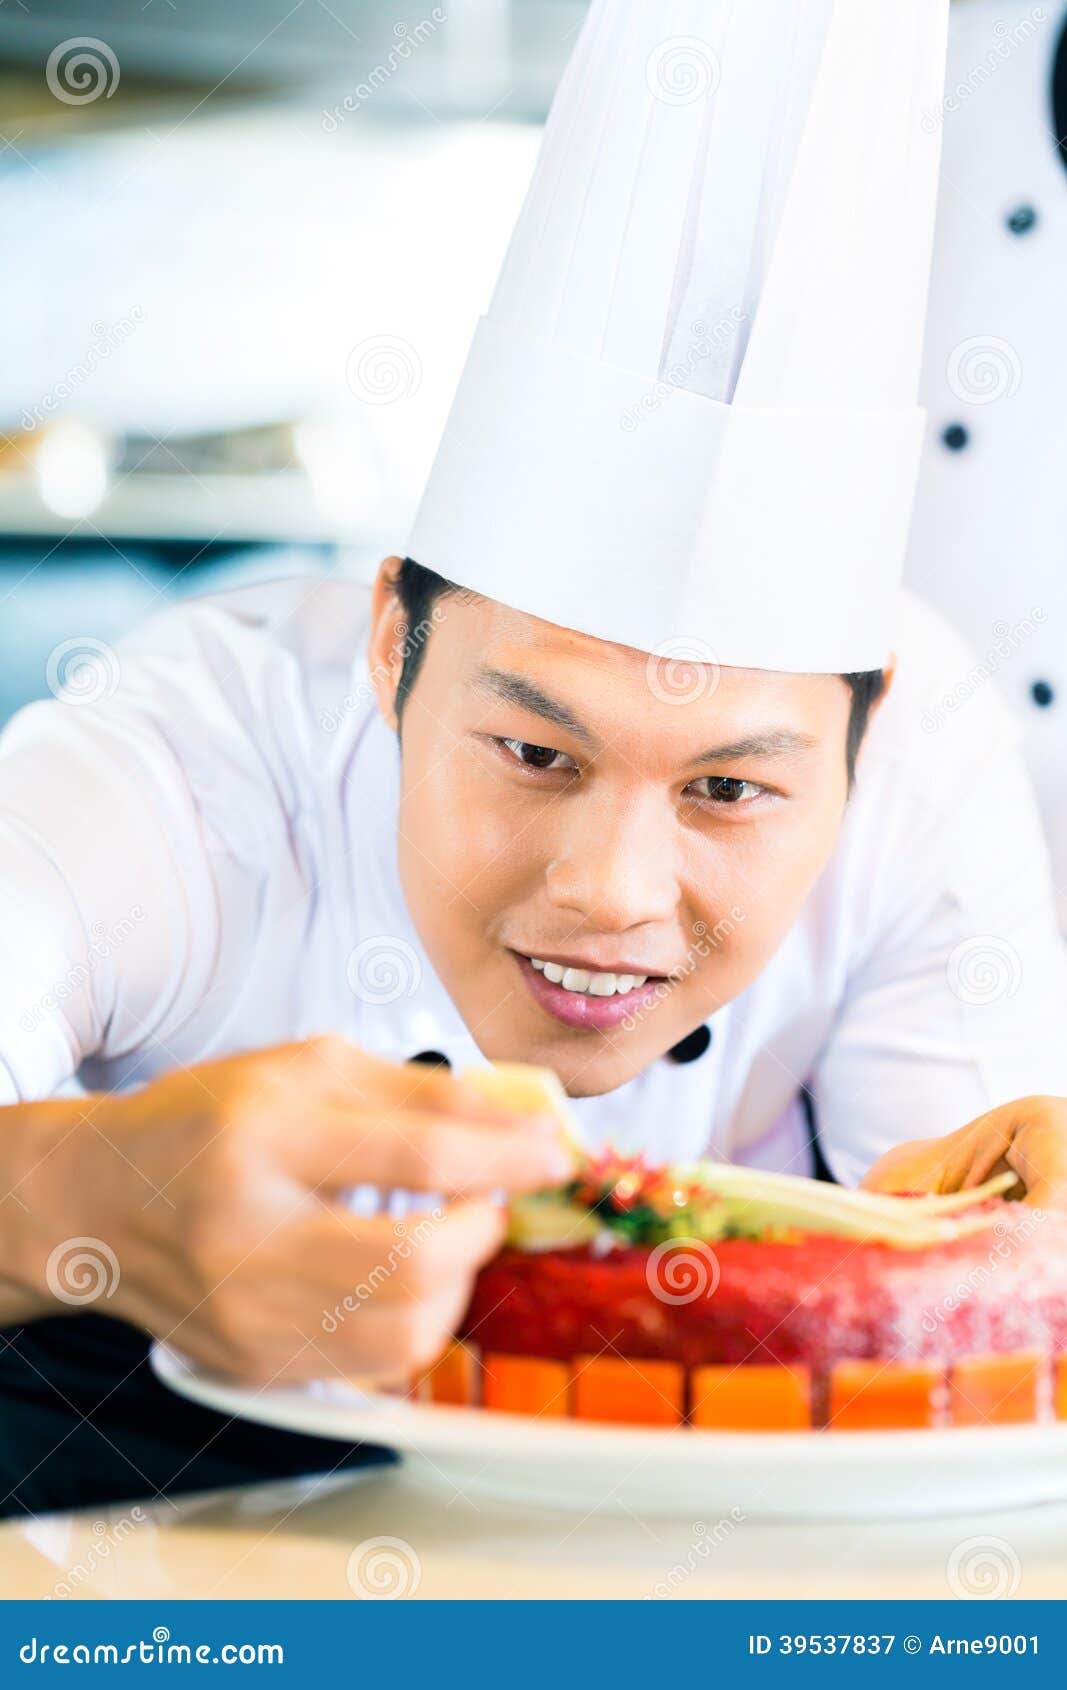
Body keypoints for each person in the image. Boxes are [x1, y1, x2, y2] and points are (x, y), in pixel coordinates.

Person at [1, 0, 1065, 1515]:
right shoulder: (188, 754)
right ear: (393, 646)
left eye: (728, 790)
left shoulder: (927, 761)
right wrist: (77, 1193)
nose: (613, 895)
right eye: (534, 751)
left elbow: (987, 1341)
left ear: (863, 732)